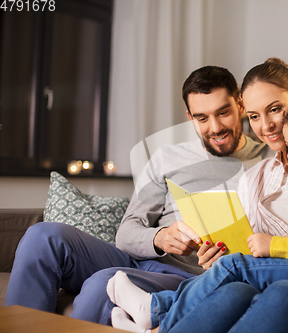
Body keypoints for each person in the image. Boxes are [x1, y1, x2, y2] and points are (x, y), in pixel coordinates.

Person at [5, 65, 273, 325]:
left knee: (104, 285)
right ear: (190, 117)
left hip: (190, 276)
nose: (214, 127)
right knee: (43, 237)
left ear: (240, 105)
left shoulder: (269, 161)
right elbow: (127, 232)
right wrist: (159, 238)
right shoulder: (167, 157)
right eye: (202, 118)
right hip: (143, 259)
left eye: (223, 113)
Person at [106, 94, 288, 333]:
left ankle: (156, 308)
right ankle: (160, 321)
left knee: (234, 267)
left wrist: (275, 245)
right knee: (234, 284)